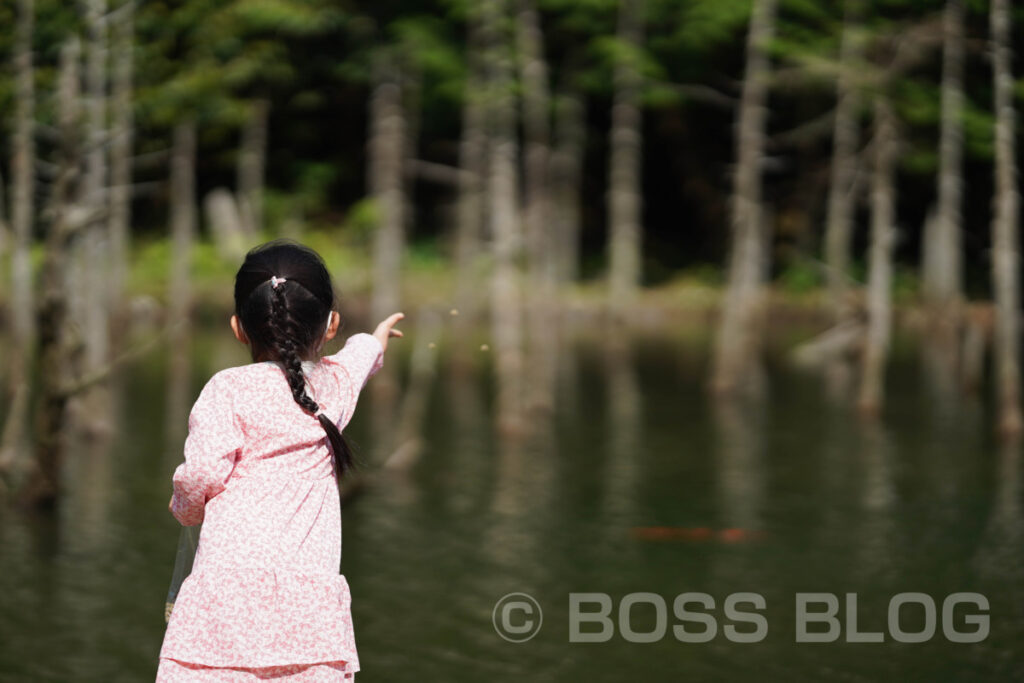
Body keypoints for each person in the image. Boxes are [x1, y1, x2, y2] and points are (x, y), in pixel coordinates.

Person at [157, 240, 404, 681]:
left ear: (238, 327)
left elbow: (199, 477)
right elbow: (359, 358)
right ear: (331, 325)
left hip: (220, 622)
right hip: (309, 627)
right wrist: (377, 337)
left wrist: (186, 509)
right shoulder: (333, 388)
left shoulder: (227, 389)